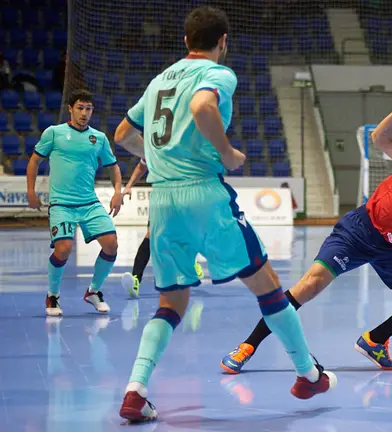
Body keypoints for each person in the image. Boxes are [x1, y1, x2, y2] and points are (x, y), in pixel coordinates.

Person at [113, 6, 335, 422]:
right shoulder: (218, 73)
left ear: (185, 41)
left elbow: (122, 135)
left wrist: (160, 160)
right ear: (223, 42)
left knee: (172, 301)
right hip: (204, 195)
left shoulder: (160, 79)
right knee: (267, 286)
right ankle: (308, 374)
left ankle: (135, 390)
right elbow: (201, 107)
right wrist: (226, 151)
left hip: (162, 201)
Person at [221, 88, 392, 373]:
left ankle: (375, 340)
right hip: (361, 231)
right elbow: (379, 139)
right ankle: (248, 344)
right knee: (310, 284)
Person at [26, 89, 123, 317]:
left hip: (89, 203)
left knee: (111, 244)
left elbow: (114, 167)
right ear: (70, 109)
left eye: (88, 109)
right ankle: (53, 296)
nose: (84, 113)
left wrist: (117, 192)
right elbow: (34, 162)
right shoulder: (54, 133)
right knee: (64, 249)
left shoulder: (98, 138)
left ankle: (94, 292)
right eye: (80, 108)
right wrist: (30, 192)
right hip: (61, 204)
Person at [119, 159, 204, 298]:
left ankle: (191, 263)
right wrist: (129, 186)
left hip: (183, 194)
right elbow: (142, 165)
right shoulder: (154, 143)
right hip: (160, 196)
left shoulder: (183, 145)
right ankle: (135, 280)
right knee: (150, 236)